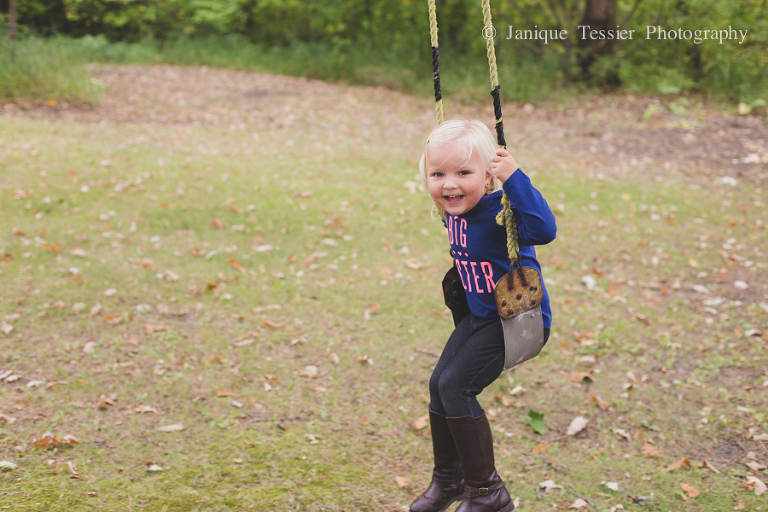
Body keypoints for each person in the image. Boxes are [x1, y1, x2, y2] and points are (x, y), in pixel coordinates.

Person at [410, 120, 556, 512]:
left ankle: (488, 493)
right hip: (479, 318)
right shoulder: (452, 210)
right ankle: (449, 481)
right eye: (438, 175)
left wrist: (515, 178)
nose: (450, 185)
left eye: (463, 173)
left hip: (517, 323)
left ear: (488, 177)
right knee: (439, 384)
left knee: (457, 386)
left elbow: (545, 229)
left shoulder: (499, 211)